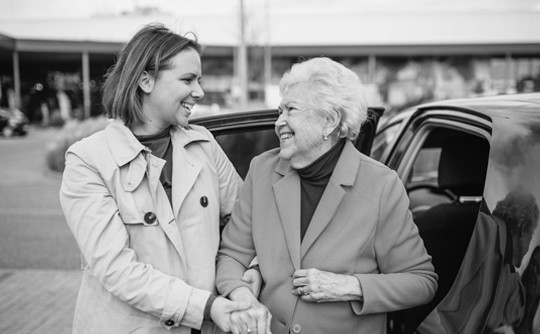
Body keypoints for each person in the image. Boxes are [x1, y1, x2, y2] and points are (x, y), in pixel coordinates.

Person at [215, 57, 438, 334]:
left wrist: (351, 287)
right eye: (279, 111)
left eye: (291, 110)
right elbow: (232, 255)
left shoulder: (381, 185)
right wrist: (242, 295)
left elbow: (421, 282)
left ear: (330, 121)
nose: (278, 123)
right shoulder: (262, 170)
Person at [59, 23, 257, 334]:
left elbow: (246, 225)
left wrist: (249, 275)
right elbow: (115, 268)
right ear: (145, 80)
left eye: (200, 80)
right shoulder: (88, 160)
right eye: (187, 79)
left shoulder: (204, 145)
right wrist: (205, 306)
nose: (200, 92)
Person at [432, 189, 539, 334]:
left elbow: (517, 315)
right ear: (522, 230)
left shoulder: (509, 272)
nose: (528, 249)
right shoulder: (480, 228)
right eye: (530, 237)